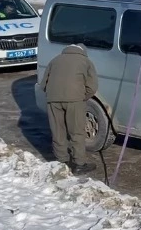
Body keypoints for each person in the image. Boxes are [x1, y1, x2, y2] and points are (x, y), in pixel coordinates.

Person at [40, 43, 99, 174]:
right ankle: (79, 164)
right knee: (76, 132)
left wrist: (53, 94)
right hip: (75, 100)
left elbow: (43, 83)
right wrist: (82, 97)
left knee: (58, 131)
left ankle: (62, 162)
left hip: (53, 100)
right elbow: (92, 86)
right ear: (83, 51)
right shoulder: (86, 61)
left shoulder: (54, 60)